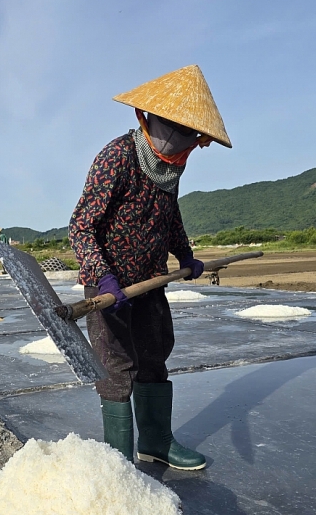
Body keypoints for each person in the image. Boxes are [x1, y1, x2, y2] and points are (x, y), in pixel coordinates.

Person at [69, 65, 232, 470]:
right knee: (116, 366)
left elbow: (168, 214)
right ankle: (119, 461)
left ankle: (156, 441)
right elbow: (82, 224)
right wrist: (102, 275)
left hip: (150, 281)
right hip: (109, 288)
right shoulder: (117, 157)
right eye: (181, 133)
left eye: (192, 137)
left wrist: (185, 254)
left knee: (154, 356)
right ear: (149, 119)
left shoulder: (171, 167)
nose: (186, 145)